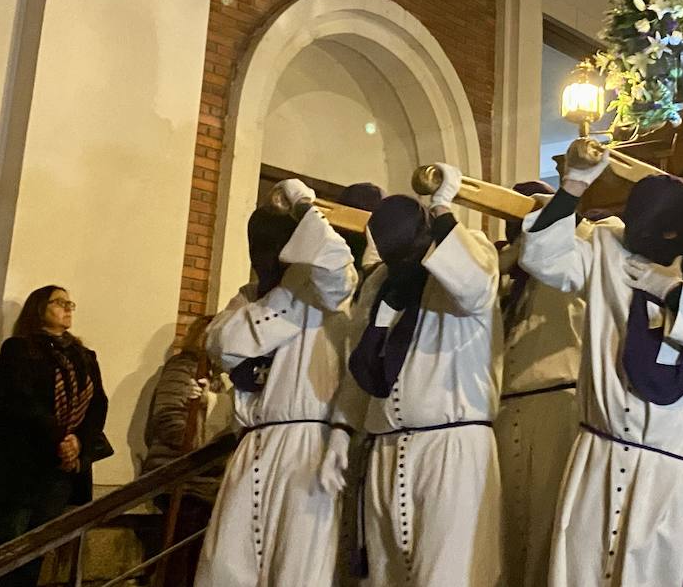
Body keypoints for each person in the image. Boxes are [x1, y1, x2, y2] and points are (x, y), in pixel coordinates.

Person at [521, 157, 683, 587]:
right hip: (600, 456)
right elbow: (544, 259)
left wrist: (670, 292)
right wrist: (572, 187)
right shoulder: (607, 246)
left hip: (670, 473)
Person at [332, 171, 503, 587]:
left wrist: (444, 207)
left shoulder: (469, 252)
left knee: (448, 575)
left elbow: (474, 286)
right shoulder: (382, 281)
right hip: (387, 446)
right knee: (385, 575)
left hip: (450, 445)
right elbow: (363, 358)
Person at [195, 179, 357, 587]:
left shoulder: (326, 287)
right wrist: (283, 296)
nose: (261, 254)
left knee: (299, 571)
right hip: (252, 444)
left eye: (272, 243)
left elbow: (335, 264)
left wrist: (305, 205)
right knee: (228, 568)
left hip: (307, 446)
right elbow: (222, 344)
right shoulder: (248, 296)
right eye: (256, 244)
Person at [0, 285, 109, 587]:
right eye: (59, 302)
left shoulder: (84, 356)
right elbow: (18, 399)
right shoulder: (19, 348)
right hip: (20, 465)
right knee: (7, 546)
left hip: (60, 470)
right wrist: (60, 438)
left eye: (70, 303)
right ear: (39, 308)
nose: (67, 308)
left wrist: (77, 441)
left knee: (39, 546)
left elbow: (98, 404)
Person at [495, 179, 581, 587]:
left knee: (547, 524)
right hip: (501, 407)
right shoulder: (503, 271)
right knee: (504, 528)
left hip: (556, 401)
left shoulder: (572, 258)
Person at [140, 315, 228, 587]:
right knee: (179, 563)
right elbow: (169, 419)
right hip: (186, 480)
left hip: (211, 483)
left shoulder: (223, 376)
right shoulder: (183, 368)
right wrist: (204, 448)